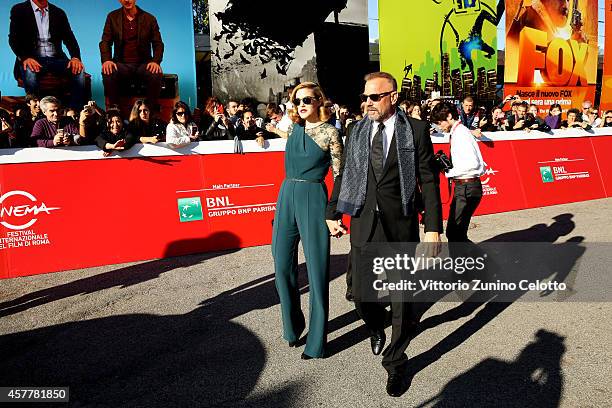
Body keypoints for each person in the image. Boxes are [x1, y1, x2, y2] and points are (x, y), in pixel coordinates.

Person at [327, 72, 442, 397]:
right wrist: (331, 212)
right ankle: (375, 326)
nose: (367, 103)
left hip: (401, 225)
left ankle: (395, 361)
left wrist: (433, 227)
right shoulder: (355, 130)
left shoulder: (416, 130)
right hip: (364, 224)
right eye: (364, 98)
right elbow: (345, 173)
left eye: (374, 97)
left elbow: (428, 180)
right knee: (360, 295)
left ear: (392, 96)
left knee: (402, 300)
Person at [272, 82, 343, 361]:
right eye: (296, 100)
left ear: (319, 101)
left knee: (316, 271)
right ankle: (293, 327)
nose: (301, 104)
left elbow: (340, 175)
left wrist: (333, 214)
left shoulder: (330, 132)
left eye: (307, 100)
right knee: (280, 264)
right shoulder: (293, 128)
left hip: (314, 196)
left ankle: (316, 342)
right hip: (286, 194)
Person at [8, 0, 86, 109]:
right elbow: (13, 39)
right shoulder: (19, 10)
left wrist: (75, 57)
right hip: (33, 59)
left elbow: (70, 38)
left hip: (56, 59)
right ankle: (36, 111)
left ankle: (75, 111)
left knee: (79, 70)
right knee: (30, 71)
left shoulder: (58, 12)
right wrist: (25, 58)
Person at [430, 102, 485, 242]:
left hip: (466, 187)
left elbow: (473, 164)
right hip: (466, 187)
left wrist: (448, 171)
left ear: (449, 116)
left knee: (455, 234)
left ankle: (480, 261)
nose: (439, 126)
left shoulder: (460, 133)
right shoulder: (459, 131)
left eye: (439, 122)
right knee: (456, 234)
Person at [100, 0, 164, 110]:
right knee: (108, 72)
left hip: (143, 64)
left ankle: (149, 111)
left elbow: (158, 43)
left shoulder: (149, 18)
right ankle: (115, 112)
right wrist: (106, 60)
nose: (127, 0)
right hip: (121, 64)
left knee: (155, 73)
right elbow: (105, 41)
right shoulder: (112, 17)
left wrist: (155, 61)